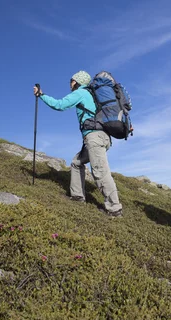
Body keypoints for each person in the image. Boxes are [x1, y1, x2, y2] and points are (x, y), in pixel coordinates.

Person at [33, 71, 123, 217]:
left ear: (77, 82)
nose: (70, 83)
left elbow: (59, 105)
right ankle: (77, 196)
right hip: (103, 137)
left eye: (71, 80)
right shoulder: (92, 95)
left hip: (94, 138)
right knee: (76, 163)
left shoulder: (81, 93)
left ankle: (114, 208)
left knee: (100, 171)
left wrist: (41, 95)